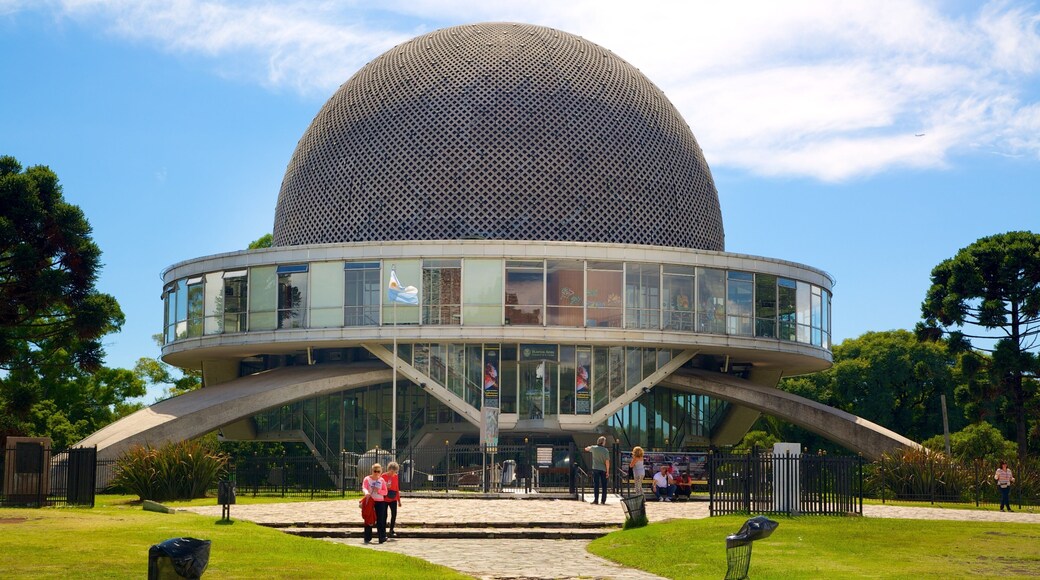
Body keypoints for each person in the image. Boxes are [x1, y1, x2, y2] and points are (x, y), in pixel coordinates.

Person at [362, 463, 388, 543]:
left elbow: (385, 492)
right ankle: (367, 537)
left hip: (380, 502)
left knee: (381, 520)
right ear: (372, 471)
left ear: (381, 472)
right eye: (375, 471)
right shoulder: (367, 479)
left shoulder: (381, 480)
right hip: (370, 501)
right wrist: (366, 493)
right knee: (369, 519)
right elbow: (364, 487)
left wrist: (379, 491)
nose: (376, 473)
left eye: (378, 471)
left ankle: (382, 537)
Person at [584, 436, 610, 505]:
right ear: (603, 442)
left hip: (595, 468)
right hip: (603, 469)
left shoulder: (594, 448)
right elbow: (607, 462)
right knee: (604, 485)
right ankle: (603, 500)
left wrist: (590, 446)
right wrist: (608, 471)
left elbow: (586, 449)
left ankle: (596, 500)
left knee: (596, 485)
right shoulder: (605, 450)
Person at [382, 461, 401, 538]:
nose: (393, 473)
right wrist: (386, 486)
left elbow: (397, 488)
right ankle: (383, 531)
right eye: (392, 471)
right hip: (385, 498)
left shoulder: (396, 476)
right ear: (389, 469)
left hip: (393, 498)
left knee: (394, 514)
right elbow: (380, 487)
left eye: (395, 471)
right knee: (384, 515)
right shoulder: (383, 476)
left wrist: (399, 500)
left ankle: (391, 530)